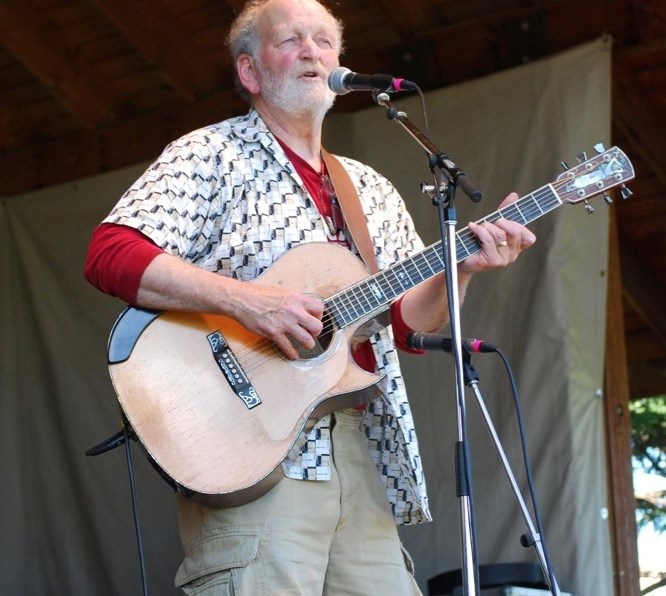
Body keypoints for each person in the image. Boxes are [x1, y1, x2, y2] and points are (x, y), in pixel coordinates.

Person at [84, 0, 536, 593]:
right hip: (251, 444)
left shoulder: (370, 187)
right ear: (250, 72)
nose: (312, 50)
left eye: (324, 40)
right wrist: (249, 302)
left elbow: (399, 325)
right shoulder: (210, 155)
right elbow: (110, 252)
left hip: (364, 444)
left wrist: (466, 269)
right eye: (290, 39)